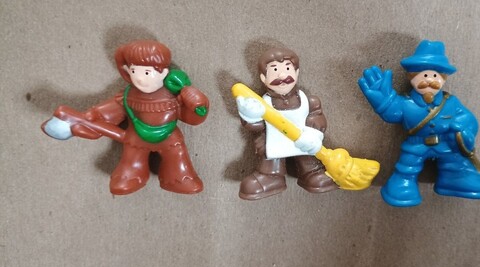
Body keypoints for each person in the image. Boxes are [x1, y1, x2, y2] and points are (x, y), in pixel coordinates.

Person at [44, 40, 209, 195]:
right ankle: (132, 176)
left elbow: (191, 118)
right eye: (134, 71)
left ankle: (177, 179)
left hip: (169, 139)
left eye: (146, 72)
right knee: (131, 162)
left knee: (177, 161)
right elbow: (110, 111)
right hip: (135, 139)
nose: (139, 78)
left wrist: (198, 107)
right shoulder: (128, 96)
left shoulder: (174, 97)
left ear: (164, 73)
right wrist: (92, 115)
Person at [359, 40, 480, 207]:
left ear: (443, 79)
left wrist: (461, 126)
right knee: (407, 167)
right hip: (416, 145)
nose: (430, 80)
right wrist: (384, 102)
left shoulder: (450, 102)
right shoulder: (406, 103)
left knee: (455, 161)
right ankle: (402, 185)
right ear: (412, 76)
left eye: (435, 76)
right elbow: (393, 113)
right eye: (425, 75)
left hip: (446, 143)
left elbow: (468, 118)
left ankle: (455, 178)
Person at [235, 47, 338, 200]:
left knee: (308, 156)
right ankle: (271, 176)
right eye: (275, 70)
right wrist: (249, 115)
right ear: (263, 78)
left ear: (297, 72)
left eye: (287, 69)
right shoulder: (263, 104)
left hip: (303, 142)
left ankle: (311, 172)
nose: (282, 75)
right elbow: (256, 127)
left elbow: (317, 117)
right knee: (270, 155)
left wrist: (313, 132)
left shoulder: (309, 101)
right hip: (275, 143)